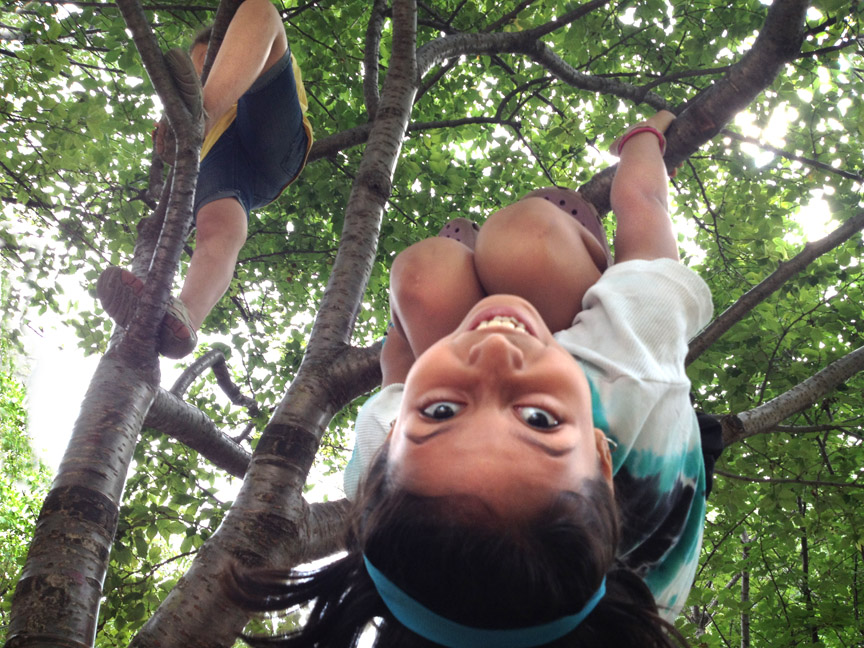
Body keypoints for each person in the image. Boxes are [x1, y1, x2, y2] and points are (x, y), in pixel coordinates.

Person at [228, 111, 714, 648]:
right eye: (538, 419)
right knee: (525, 239)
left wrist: (416, 316)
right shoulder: (626, 372)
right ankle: (576, 281)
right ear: (602, 456)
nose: (495, 356)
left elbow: (398, 368)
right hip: (641, 458)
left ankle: (465, 304)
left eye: (441, 412)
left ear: (390, 443)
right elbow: (645, 210)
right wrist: (644, 139)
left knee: (420, 276)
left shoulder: (377, 468)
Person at [97, 0, 313, 358]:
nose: (202, 77)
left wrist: (201, 112)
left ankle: (202, 115)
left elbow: (262, 20)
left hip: (266, 137)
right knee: (218, 227)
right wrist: (171, 142)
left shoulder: (251, 51)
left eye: (208, 70)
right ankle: (183, 318)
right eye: (198, 76)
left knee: (260, 9)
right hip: (216, 154)